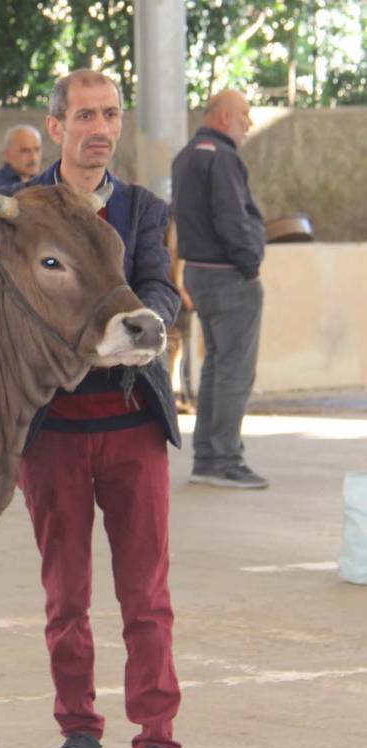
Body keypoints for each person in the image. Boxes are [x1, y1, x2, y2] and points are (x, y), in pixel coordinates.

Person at [9, 69, 189, 748]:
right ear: (56, 127)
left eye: (111, 114)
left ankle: (158, 744)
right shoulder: (22, 212)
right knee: (66, 596)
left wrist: (143, 321)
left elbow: (163, 289)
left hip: (131, 426)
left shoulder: (144, 209)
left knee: (146, 596)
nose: (100, 128)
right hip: (52, 433)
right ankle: (79, 733)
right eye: (85, 115)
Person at [171, 89, 268, 489]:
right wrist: (250, 264)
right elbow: (232, 218)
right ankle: (225, 460)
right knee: (234, 371)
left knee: (216, 366)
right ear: (224, 116)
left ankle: (207, 458)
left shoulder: (186, 156)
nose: (249, 122)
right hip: (229, 275)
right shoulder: (223, 157)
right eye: (244, 113)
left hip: (199, 272)